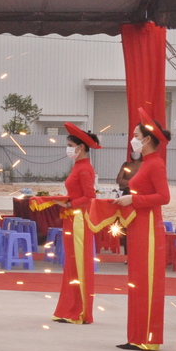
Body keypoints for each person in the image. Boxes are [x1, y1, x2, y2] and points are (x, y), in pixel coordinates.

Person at [114, 114, 171, 351]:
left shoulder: (155, 163)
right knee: (137, 281)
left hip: (148, 225)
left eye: (136, 136)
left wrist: (134, 200)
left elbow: (164, 197)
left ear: (147, 139)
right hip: (138, 224)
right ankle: (137, 335)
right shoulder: (147, 162)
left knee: (146, 281)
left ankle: (147, 337)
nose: (133, 140)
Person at [50, 124, 100, 326]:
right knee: (71, 264)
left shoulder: (85, 168)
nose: (68, 148)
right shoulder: (77, 167)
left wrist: (70, 203)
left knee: (78, 262)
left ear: (81, 147)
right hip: (71, 217)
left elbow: (90, 196)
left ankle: (79, 310)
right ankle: (69, 308)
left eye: (71, 145)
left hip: (79, 218)